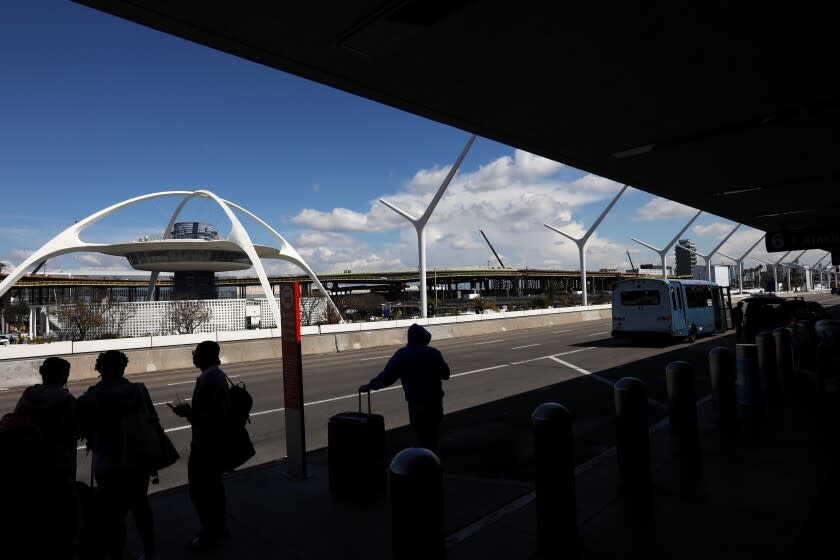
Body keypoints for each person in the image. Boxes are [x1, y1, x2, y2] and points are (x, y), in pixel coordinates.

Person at [78, 350, 158, 560]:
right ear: (123, 367)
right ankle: (150, 551)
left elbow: (81, 426)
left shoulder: (92, 395)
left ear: (99, 369)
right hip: (136, 458)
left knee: (113, 514)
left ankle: (116, 553)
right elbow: (152, 421)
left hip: (107, 460)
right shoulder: (138, 390)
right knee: (140, 505)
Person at [3, 357, 78, 558]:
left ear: (42, 373)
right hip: (57, 464)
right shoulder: (65, 400)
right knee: (59, 515)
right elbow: (76, 428)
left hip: (26, 463)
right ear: (64, 376)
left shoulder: (29, 394)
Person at [170, 340, 232, 551]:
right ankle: (216, 528)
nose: (194, 356)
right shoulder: (215, 375)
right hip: (209, 443)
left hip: (206, 446)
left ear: (206, 356)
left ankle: (210, 534)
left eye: (197, 353)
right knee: (213, 489)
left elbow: (211, 417)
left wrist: (187, 412)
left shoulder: (210, 379)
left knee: (201, 491)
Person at [360, 323, 450, 454]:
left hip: (416, 403)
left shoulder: (402, 355)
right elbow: (446, 374)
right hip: (434, 402)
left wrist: (370, 385)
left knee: (421, 434)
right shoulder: (434, 353)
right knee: (432, 434)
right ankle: (433, 461)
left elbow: (387, 377)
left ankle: (421, 462)